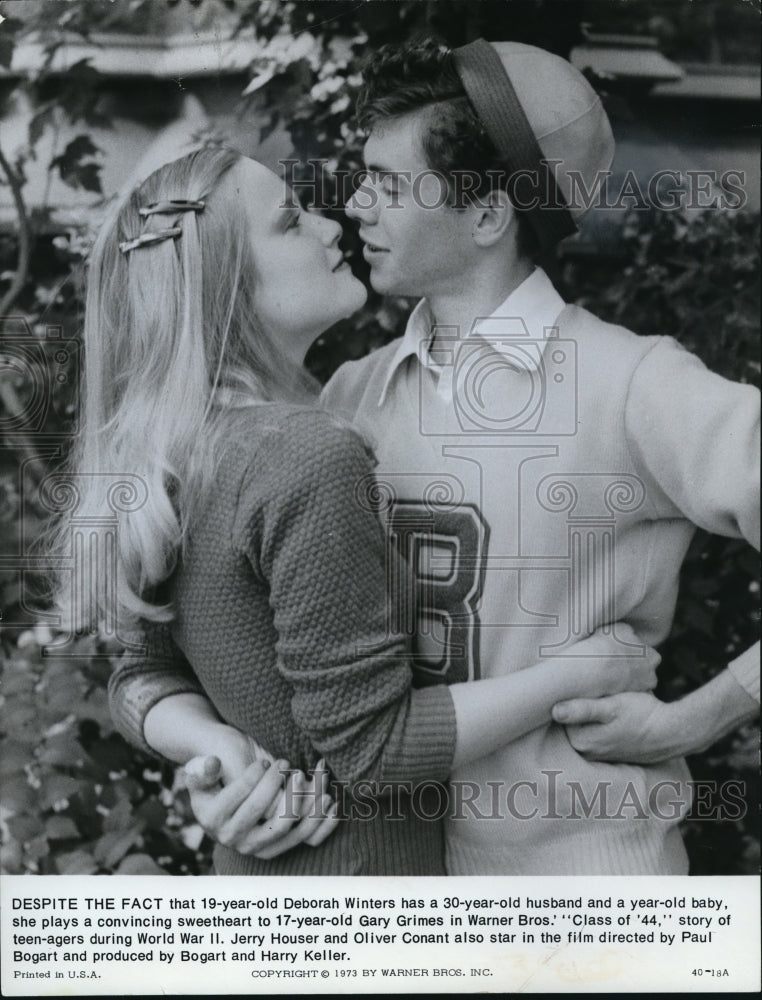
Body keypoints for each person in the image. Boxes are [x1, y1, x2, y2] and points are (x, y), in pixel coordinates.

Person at [109, 39, 759, 875]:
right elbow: (182, 650)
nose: (356, 206)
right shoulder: (344, 398)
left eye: (386, 181)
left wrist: (701, 717)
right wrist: (216, 769)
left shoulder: (635, 384)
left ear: (488, 214)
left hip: (586, 894)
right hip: (403, 896)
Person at [53, 145, 656, 877]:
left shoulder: (183, 446)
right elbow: (379, 752)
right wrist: (584, 669)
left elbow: (140, 669)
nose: (331, 225)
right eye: (289, 220)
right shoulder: (305, 453)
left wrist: (216, 751)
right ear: (226, 285)